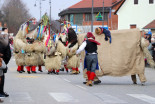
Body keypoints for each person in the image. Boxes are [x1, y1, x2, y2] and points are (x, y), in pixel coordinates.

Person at [0, 27, 11, 97]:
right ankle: (1, 92)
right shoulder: (3, 40)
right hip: (1, 61)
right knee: (1, 77)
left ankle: (1, 92)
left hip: (2, 60)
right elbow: (6, 45)